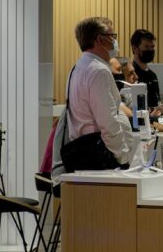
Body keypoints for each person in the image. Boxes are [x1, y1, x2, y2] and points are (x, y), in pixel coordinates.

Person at [55, 17, 137, 172]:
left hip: (84, 153)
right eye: (112, 36)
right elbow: (108, 122)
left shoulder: (77, 67)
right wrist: (123, 158)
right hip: (101, 158)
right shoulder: (99, 71)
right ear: (100, 39)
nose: (114, 42)